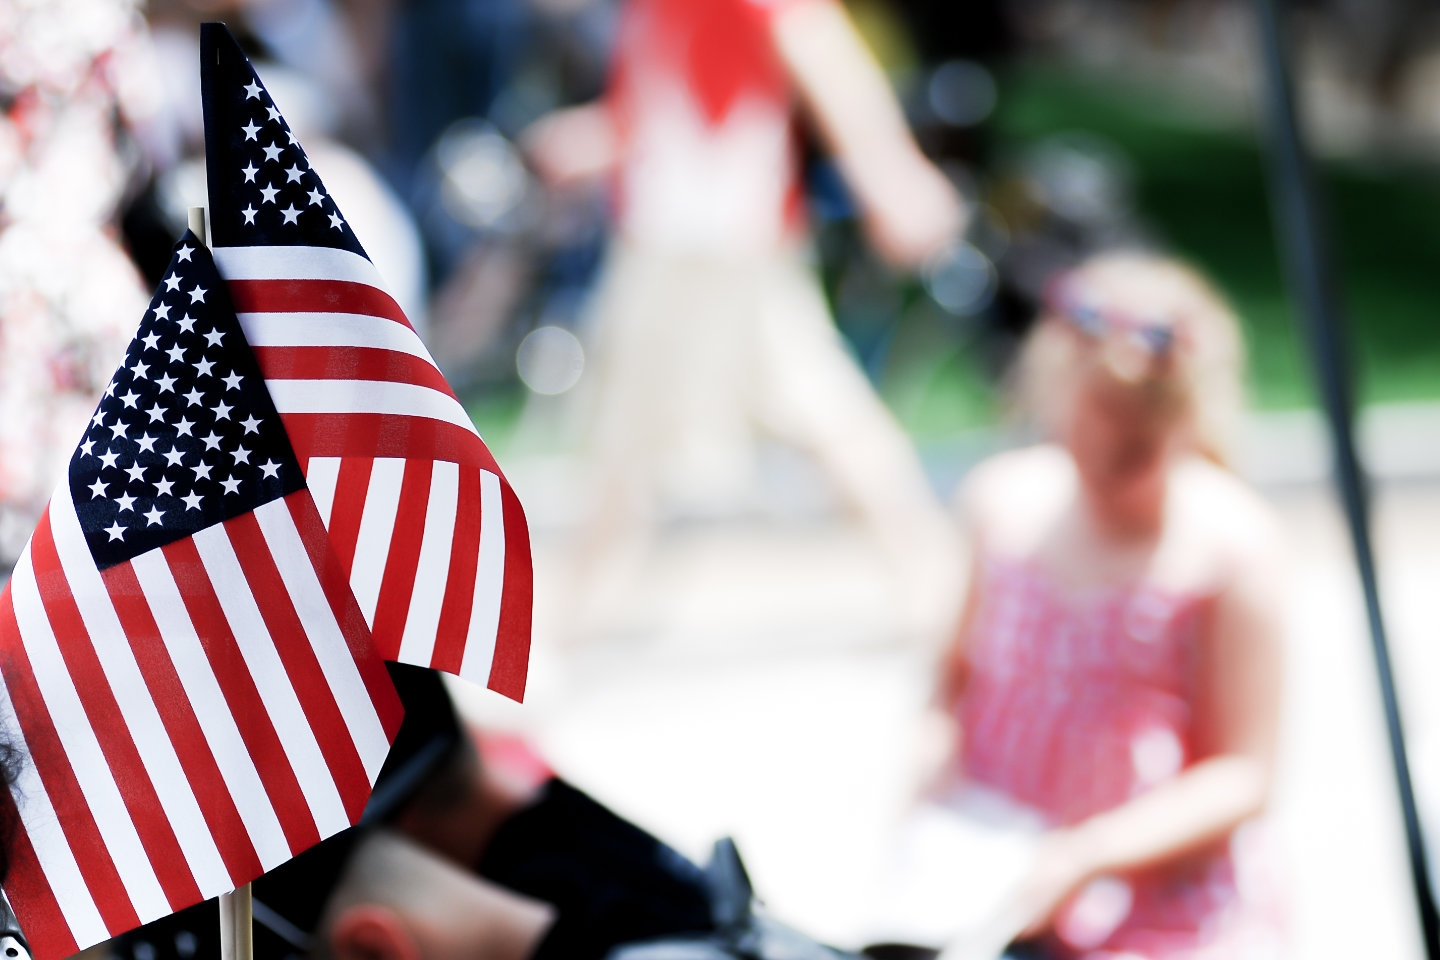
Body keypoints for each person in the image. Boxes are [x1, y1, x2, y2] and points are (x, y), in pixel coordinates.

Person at [887, 252, 1286, 959]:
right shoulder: (1002, 505)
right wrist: (930, 771)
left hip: (1151, 893)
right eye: (1081, 440)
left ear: (1188, 425)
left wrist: (1088, 854)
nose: (1100, 467)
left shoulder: (1228, 546)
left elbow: (1245, 772)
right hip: (999, 868)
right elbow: (951, 680)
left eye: (1131, 455)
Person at [523, 0, 966, 637]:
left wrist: (890, 174)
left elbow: (820, 48)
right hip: (691, 231)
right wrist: (605, 136)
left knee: (645, 416)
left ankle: (576, 606)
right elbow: (679, 94)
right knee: (803, 404)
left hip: (711, 235)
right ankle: (933, 576)